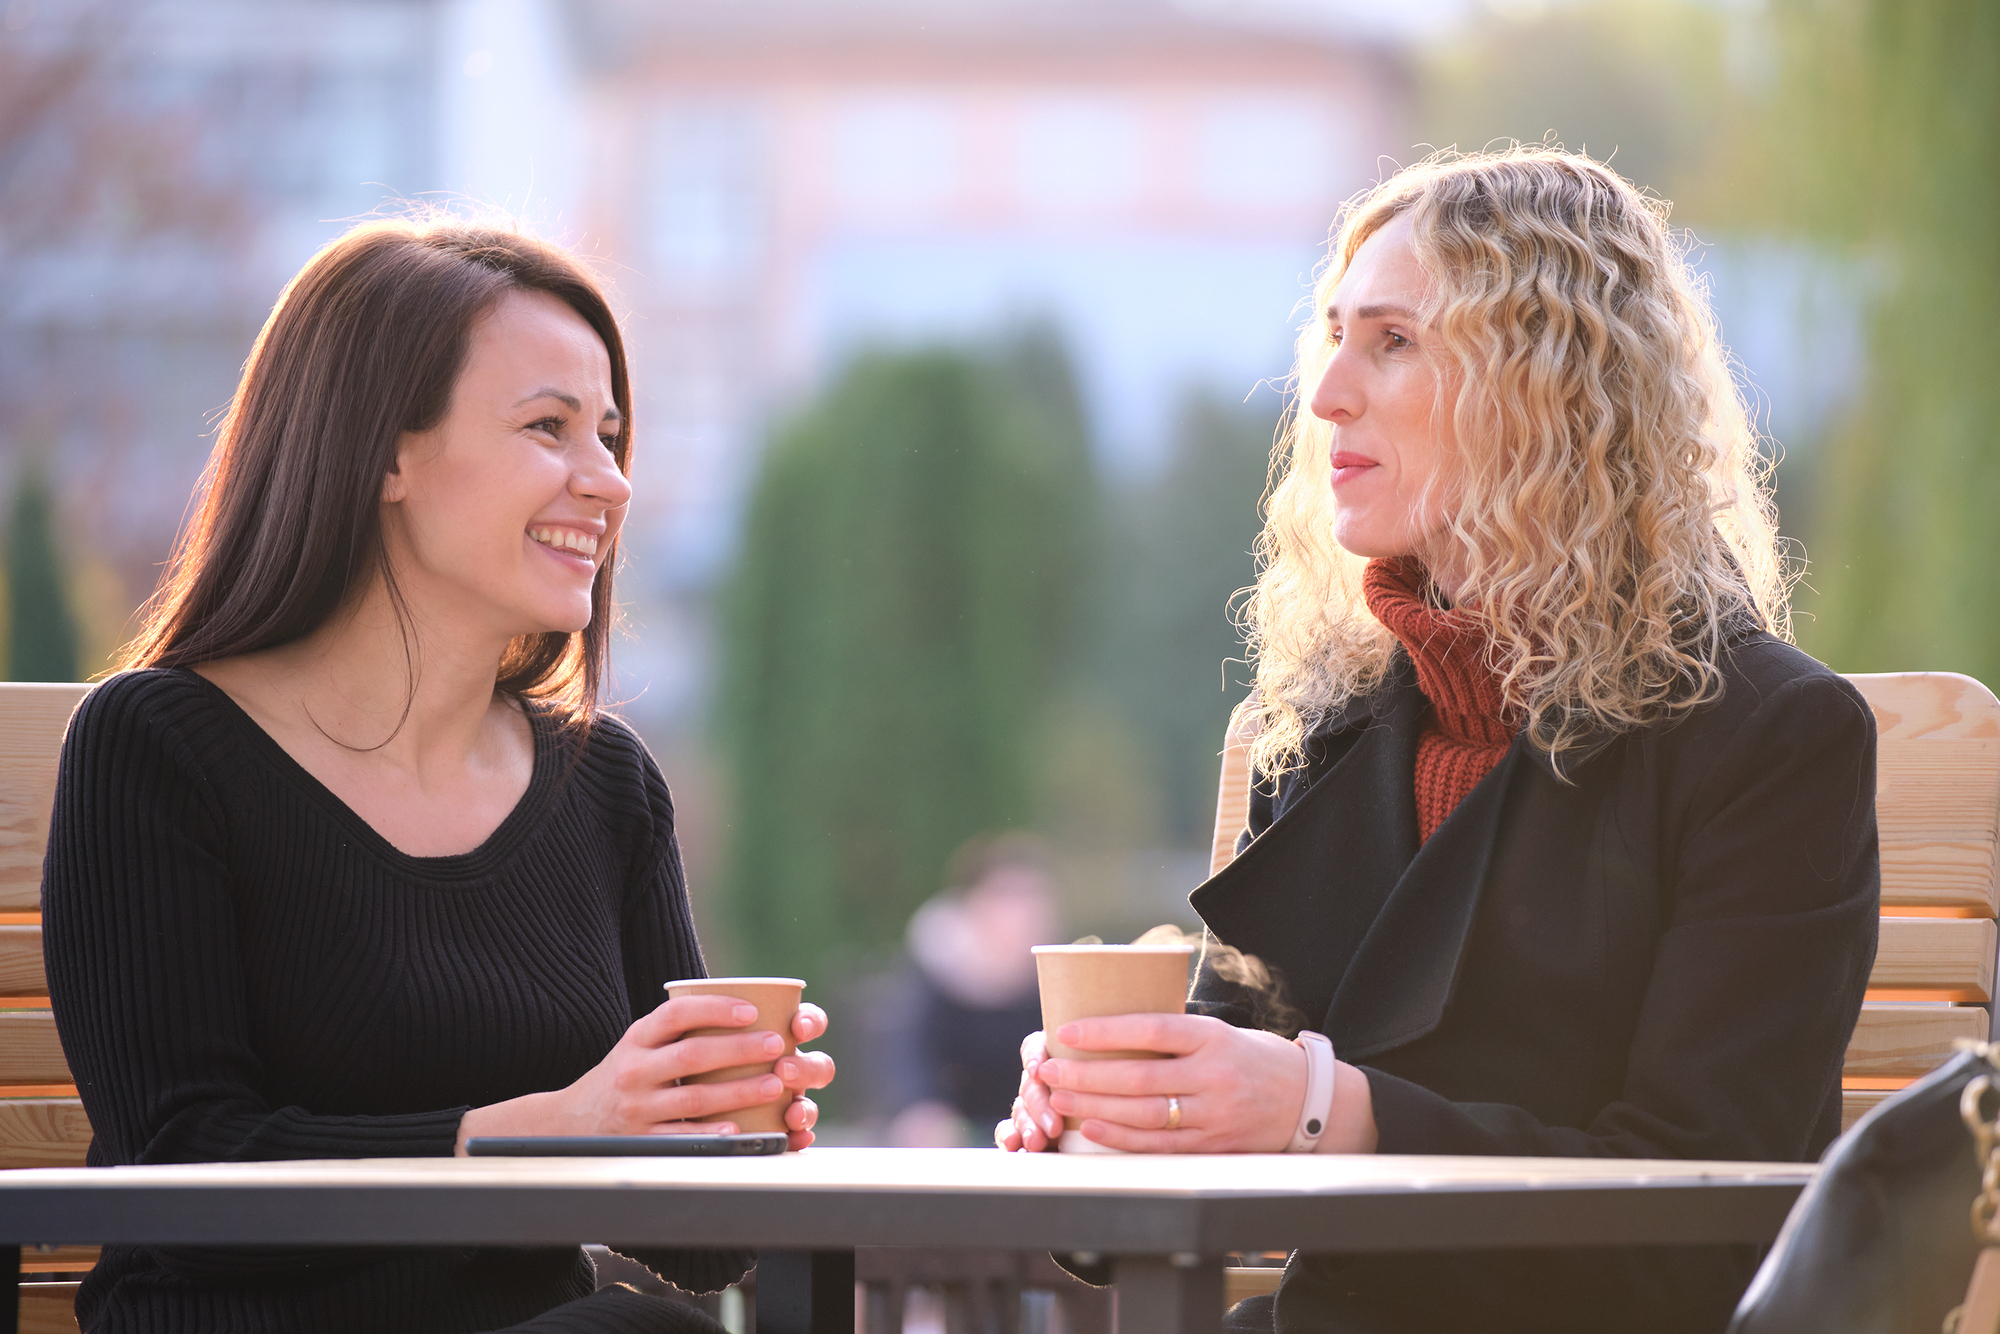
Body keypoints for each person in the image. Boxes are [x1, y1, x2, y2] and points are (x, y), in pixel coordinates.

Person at [998, 148, 1880, 1334]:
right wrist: (1105, 1118)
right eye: (1333, 336)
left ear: (1549, 388)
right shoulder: (1322, 724)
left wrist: (1321, 1106)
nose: (1323, 397)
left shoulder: (1766, 737)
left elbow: (1706, 1224)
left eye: (1394, 340)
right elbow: (1209, 1113)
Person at [41, 216, 835, 1334]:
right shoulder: (160, 747)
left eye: (610, 436)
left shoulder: (603, 784)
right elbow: (180, 1173)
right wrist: (541, 1130)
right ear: (385, 453)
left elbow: (703, 1246)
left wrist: (720, 1120)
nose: (605, 481)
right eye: (548, 427)